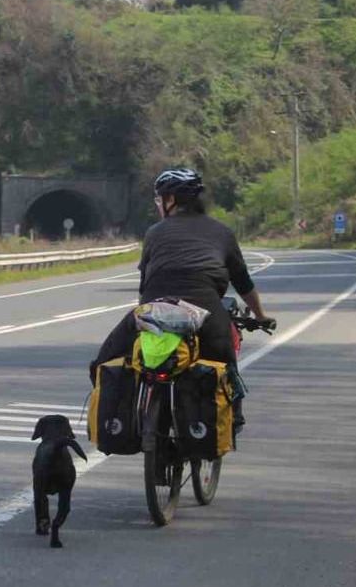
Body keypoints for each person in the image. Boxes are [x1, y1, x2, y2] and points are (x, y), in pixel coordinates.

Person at [93, 167, 274, 427]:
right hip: (207, 312)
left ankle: (116, 422)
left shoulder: (155, 232)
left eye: (160, 199)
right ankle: (234, 418)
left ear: (171, 200)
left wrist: (143, 319)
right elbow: (243, 283)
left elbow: (144, 287)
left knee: (104, 359)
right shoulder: (222, 232)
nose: (159, 205)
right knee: (227, 368)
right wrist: (261, 317)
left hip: (154, 310)